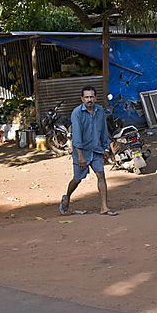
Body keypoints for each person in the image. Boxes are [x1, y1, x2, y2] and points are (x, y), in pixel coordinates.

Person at [59, 86, 117, 216]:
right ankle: (67, 196)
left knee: (101, 175)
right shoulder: (77, 113)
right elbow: (77, 136)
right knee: (77, 179)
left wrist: (105, 148)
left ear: (95, 98)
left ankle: (104, 207)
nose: (89, 100)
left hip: (96, 150)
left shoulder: (100, 111)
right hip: (82, 152)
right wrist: (80, 155)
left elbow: (103, 130)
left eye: (91, 97)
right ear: (82, 99)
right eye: (86, 97)